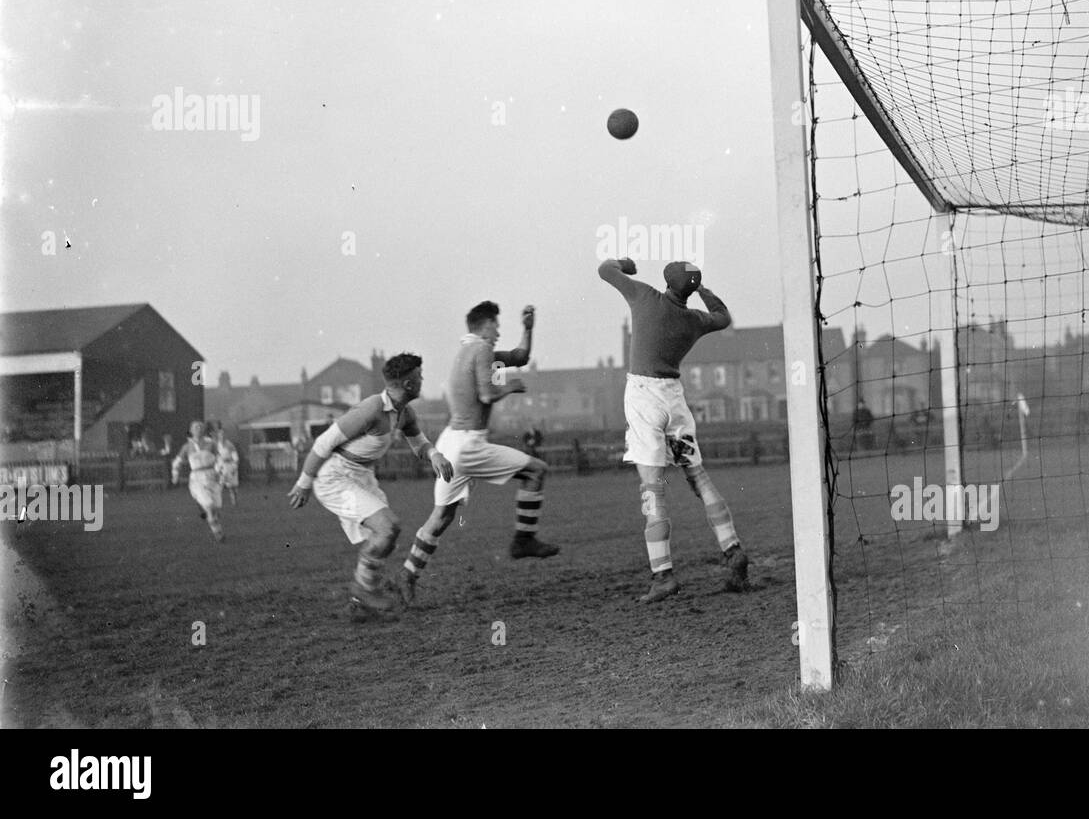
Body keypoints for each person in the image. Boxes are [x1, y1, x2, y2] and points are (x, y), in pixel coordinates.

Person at [598, 258, 749, 603]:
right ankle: (732, 548)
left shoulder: (644, 297)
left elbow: (605, 270)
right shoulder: (693, 320)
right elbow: (723, 317)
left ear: (666, 282)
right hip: (675, 401)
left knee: (653, 488)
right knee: (700, 479)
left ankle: (663, 575)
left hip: (644, 401)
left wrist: (625, 263)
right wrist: (703, 290)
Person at [399, 303, 559, 606]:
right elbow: (486, 394)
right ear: (484, 326)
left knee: (442, 515)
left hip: (451, 443)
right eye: (496, 325)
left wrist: (528, 327)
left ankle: (408, 575)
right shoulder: (483, 350)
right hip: (470, 445)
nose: (498, 332)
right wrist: (509, 387)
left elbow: (520, 357)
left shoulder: (469, 352)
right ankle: (523, 539)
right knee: (536, 470)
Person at [287, 353, 453, 621]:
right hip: (336, 477)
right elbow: (323, 444)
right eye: (419, 376)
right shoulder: (371, 409)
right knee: (387, 528)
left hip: (362, 476)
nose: (422, 380)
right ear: (408, 384)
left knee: (387, 534)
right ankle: (364, 590)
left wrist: (435, 455)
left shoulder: (404, 413)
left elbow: (419, 442)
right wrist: (304, 483)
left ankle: (360, 602)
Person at [172, 421, 225, 542]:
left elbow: (219, 459)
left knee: (216, 507)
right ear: (191, 430)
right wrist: (175, 474)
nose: (198, 429)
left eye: (200, 427)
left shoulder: (211, 444)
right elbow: (177, 462)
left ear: (204, 429)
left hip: (212, 477)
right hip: (197, 478)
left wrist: (219, 471)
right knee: (209, 505)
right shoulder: (187, 447)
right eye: (196, 427)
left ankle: (214, 524)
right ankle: (217, 533)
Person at [212, 421, 240, 506]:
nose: (222, 436)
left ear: (226, 435)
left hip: (229, 466)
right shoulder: (215, 445)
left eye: (223, 434)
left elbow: (236, 458)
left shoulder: (230, 445)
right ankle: (216, 502)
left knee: (232, 486)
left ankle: (234, 500)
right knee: (217, 485)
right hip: (219, 466)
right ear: (218, 435)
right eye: (220, 434)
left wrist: (234, 467)